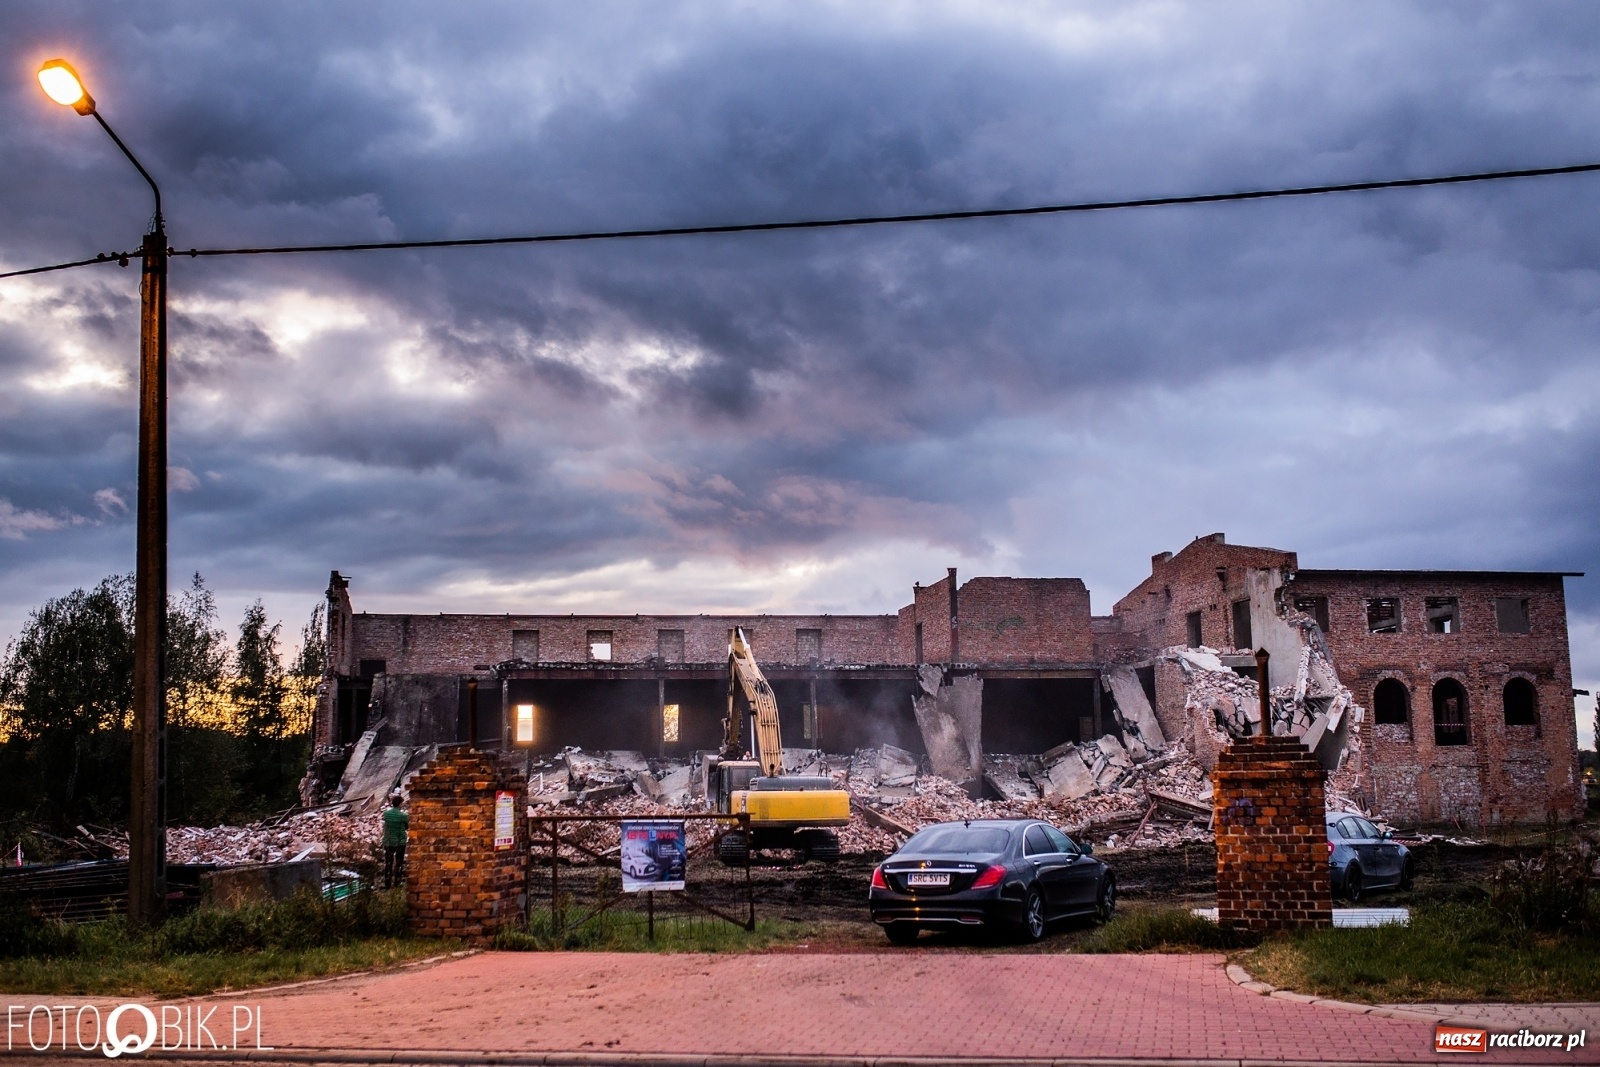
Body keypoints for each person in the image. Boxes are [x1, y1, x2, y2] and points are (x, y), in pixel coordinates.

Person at [382, 791, 409, 889]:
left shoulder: (386, 813)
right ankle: (397, 882)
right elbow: (407, 827)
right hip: (400, 841)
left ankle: (387, 883)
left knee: (388, 862)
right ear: (400, 804)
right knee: (399, 862)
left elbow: (386, 825)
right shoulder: (404, 816)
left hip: (388, 841)